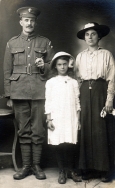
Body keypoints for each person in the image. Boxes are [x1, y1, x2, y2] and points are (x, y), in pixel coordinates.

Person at [3, 7, 54, 180]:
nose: (29, 23)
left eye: (32, 20)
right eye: (26, 20)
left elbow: (53, 69)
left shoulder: (44, 42)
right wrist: (9, 95)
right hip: (19, 92)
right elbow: (6, 70)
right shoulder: (12, 43)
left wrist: (43, 66)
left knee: (38, 130)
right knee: (24, 130)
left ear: (35, 22)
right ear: (21, 22)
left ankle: (37, 166)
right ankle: (26, 166)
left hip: (40, 92)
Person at [75, 22, 115, 182]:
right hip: (84, 92)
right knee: (86, 129)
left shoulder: (106, 54)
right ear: (84, 38)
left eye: (93, 34)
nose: (90, 37)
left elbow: (112, 78)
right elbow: (77, 79)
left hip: (101, 91)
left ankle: (104, 169)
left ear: (99, 36)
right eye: (87, 34)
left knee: (101, 129)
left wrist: (109, 99)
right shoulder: (80, 56)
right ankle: (88, 168)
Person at [45, 52, 81, 184]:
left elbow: (77, 102)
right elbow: (48, 101)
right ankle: (61, 171)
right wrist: (49, 119)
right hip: (57, 117)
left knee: (70, 144)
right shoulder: (51, 82)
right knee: (59, 144)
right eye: (59, 64)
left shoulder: (73, 82)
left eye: (65, 64)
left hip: (70, 117)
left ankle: (70, 170)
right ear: (55, 66)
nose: (62, 67)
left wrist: (78, 119)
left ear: (68, 65)